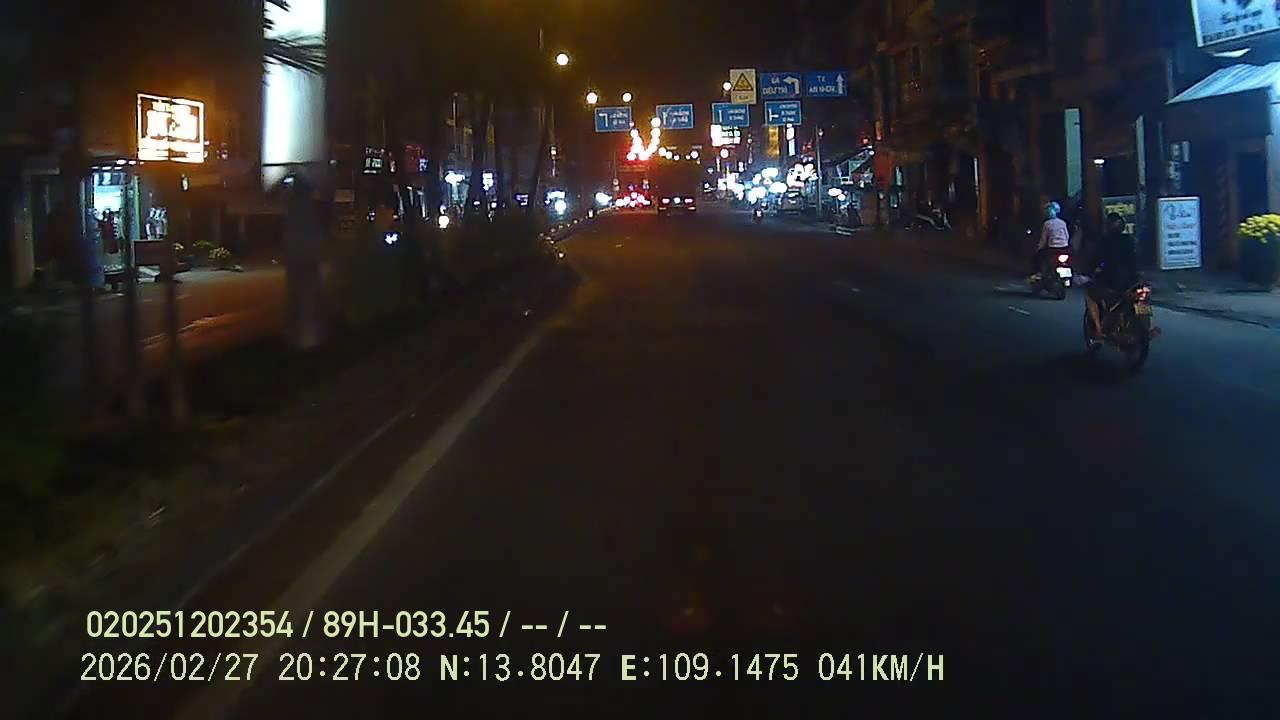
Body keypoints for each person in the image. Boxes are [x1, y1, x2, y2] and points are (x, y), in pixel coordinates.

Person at [1085, 212, 1140, 338]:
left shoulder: (1105, 241)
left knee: (1090, 295)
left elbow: (1095, 259)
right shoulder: (1129, 240)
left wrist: (1089, 270)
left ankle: (1098, 329)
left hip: (1112, 280)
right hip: (1132, 280)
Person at [1029, 201, 1070, 281]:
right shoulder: (1063, 223)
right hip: (1064, 248)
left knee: (1038, 257)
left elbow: (1043, 239)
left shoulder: (1047, 224)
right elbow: (1067, 236)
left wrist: (1039, 248)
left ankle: (1039, 274)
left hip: (1052, 248)